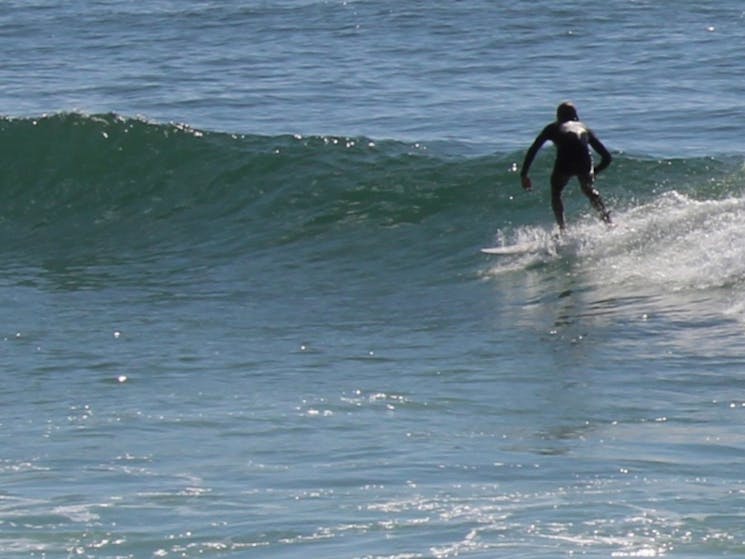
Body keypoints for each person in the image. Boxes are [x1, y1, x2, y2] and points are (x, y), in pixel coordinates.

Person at [519, 101, 612, 230]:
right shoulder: (585, 129)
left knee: (556, 193)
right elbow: (607, 157)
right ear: (575, 115)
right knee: (588, 190)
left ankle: (562, 228)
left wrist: (524, 174)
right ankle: (608, 221)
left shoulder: (552, 128)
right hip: (584, 162)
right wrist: (594, 172)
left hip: (565, 162)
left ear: (558, 116)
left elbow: (534, 149)